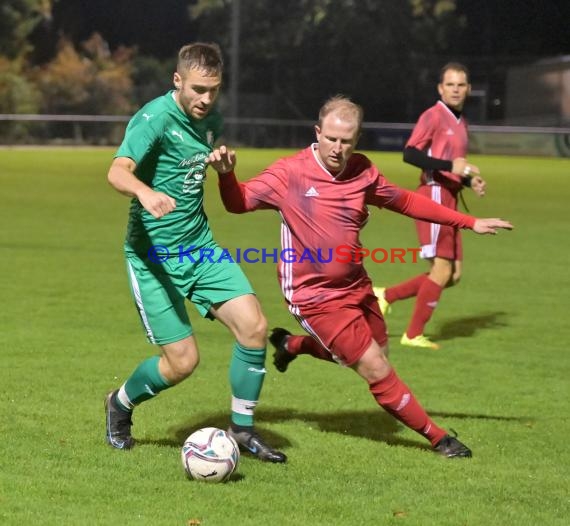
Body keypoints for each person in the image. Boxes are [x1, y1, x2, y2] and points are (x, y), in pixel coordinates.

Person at [208, 95, 512, 458]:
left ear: (356, 140)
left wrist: (469, 221)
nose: (338, 148)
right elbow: (238, 203)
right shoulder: (290, 172)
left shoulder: (363, 172)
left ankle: (293, 345)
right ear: (318, 133)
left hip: (356, 284)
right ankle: (439, 438)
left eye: (346, 141)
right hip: (313, 295)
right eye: (331, 139)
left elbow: (405, 201)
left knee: (373, 353)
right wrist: (227, 175)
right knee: (374, 365)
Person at [104, 42, 285, 463]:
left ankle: (241, 431)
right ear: (178, 81)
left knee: (255, 328)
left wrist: (224, 170)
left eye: (214, 90)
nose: (206, 99)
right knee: (183, 362)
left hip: (200, 248)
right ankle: (120, 403)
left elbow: (195, 172)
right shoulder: (153, 118)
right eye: (198, 89)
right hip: (153, 259)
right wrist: (145, 192)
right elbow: (117, 170)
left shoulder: (211, 120)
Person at [373, 62, 486, 350]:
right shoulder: (433, 116)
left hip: (450, 196)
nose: (456, 89)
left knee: (453, 275)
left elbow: (456, 168)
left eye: (461, 84)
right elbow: (410, 153)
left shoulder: (462, 122)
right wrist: (450, 166)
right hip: (433, 196)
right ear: (440, 88)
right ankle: (412, 335)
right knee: (442, 270)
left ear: (469, 89)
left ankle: (386, 295)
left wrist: (470, 182)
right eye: (450, 84)